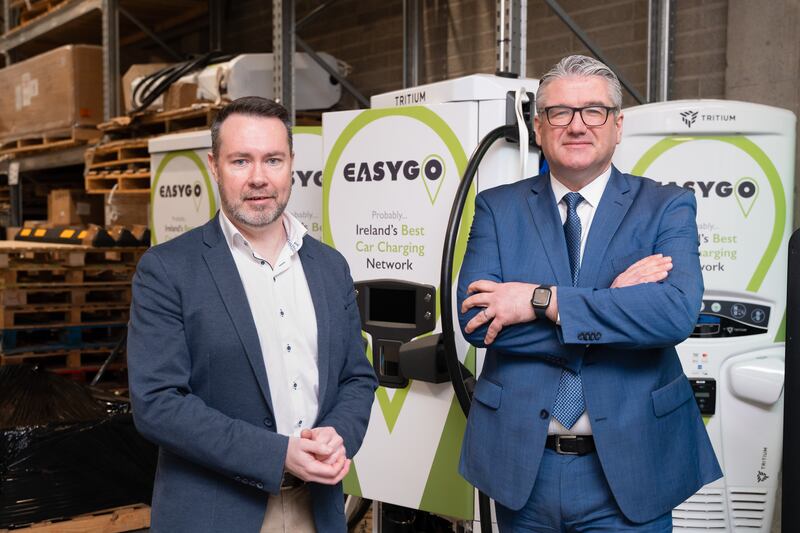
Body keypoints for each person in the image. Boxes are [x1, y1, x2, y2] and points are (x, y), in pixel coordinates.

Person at [457, 55, 722, 532]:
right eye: (559, 112)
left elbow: (674, 314)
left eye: (593, 111)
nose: (576, 125)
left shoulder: (665, 206)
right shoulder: (498, 208)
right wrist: (613, 303)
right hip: (523, 465)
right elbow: (477, 322)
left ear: (617, 126)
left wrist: (542, 302)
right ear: (539, 127)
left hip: (633, 466)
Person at [128, 96, 377, 533]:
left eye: (273, 160)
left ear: (292, 164)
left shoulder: (329, 265)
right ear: (214, 165)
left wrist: (339, 433)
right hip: (214, 513)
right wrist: (276, 453)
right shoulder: (168, 269)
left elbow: (356, 377)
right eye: (241, 161)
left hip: (316, 510)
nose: (259, 178)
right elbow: (157, 403)